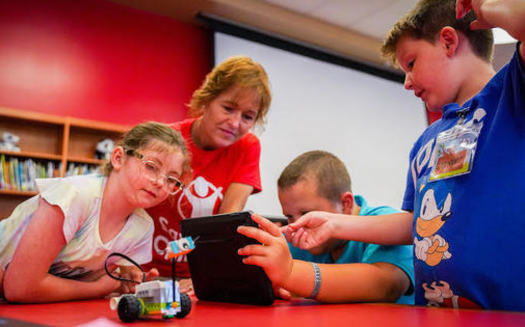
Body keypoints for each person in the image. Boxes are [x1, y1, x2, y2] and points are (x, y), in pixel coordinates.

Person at [281, 0, 525, 311]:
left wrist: (488, 9)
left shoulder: (512, 95)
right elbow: (414, 223)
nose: (407, 82)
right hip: (436, 312)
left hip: (508, 312)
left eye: (411, 63)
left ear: (449, 42)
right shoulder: (426, 141)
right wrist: (335, 223)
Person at [0, 122, 190, 303]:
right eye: (151, 166)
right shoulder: (75, 197)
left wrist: (123, 282)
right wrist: (99, 289)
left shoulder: (142, 227)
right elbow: (19, 288)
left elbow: (86, 277)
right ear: (118, 158)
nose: (159, 182)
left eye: (171, 179)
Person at [144, 56, 271, 289]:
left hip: (197, 277)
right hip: (146, 271)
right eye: (228, 108)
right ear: (207, 99)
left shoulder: (247, 147)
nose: (234, 123)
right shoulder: (165, 139)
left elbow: (225, 224)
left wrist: (200, 276)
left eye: (247, 116)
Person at [237, 150, 414, 304]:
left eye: (307, 215)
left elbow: (388, 286)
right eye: (289, 216)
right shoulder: (294, 236)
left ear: (346, 203)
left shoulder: (386, 222)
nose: (296, 226)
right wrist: (270, 286)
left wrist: (291, 273)